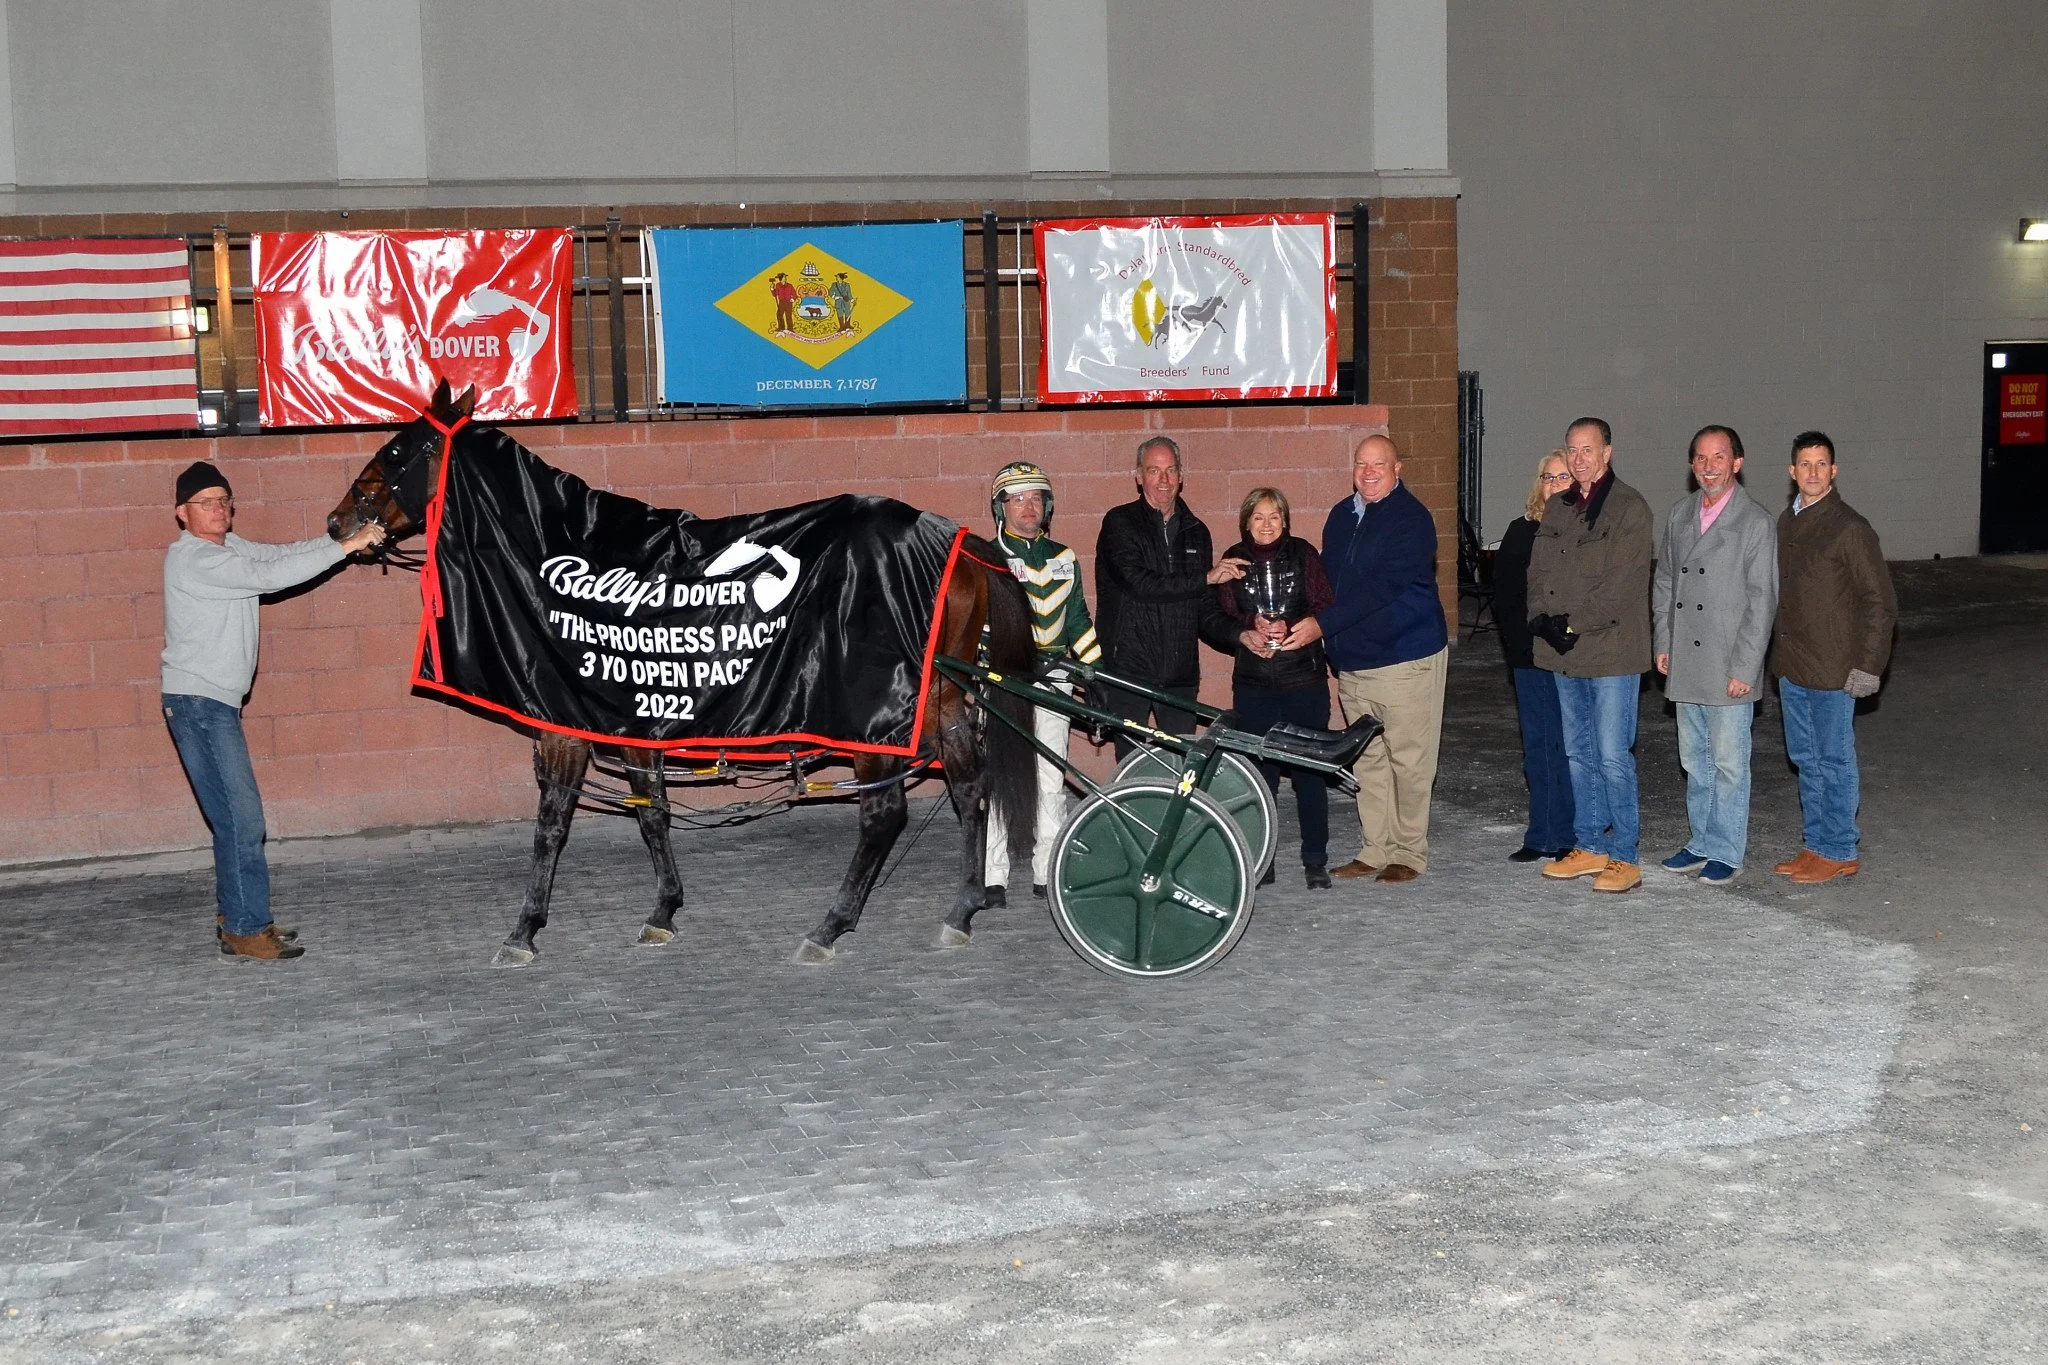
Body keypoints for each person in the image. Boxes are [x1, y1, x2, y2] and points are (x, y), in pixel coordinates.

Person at [162, 460, 385, 960]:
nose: (219, 509)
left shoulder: (230, 547)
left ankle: (237, 916)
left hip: (210, 703)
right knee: (243, 819)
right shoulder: (195, 559)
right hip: (199, 704)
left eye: (224, 500)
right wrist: (348, 547)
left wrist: (339, 540)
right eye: (206, 503)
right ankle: (246, 927)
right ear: (182, 513)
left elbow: (282, 555)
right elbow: (272, 576)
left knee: (233, 819)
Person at [1284, 434, 1448, 884]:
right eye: (1361, 463)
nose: (1369, 472)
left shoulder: (1412, 519)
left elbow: (1383, 589)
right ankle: (1376, 848)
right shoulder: (1342, 514)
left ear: (1398, 470)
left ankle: (1409, 851)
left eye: (1379, 464)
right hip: (1354, 660)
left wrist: (1322, 626)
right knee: (1368, 758)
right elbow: (1327, 583)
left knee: (1409, 760)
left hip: (1404, 655)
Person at [1529, 417, 1654, 894]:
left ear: (1607, 453)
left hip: (1611, 653)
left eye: (1588, 449)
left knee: (1612, 755)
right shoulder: (1558, 506)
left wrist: (1570, 623)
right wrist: (1540, 618)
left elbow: (1621, 587)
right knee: (1578, 754)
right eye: (1573, 450)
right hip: (1566, 653)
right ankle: (1589, 844)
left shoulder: (1629, 508)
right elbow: (1538, 572)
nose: (1579, 459)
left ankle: (1625, 855)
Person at [1652, 425, 1779, 885]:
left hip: (1728, 663)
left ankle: (1726, 849)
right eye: (1701, 458)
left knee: (1728, 764)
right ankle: (1701, 841)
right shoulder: (1680, 514)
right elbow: (1665, 581)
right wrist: (1663, 641)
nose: (1709, 467)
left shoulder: (1755, 522)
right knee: (1694, 760)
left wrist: (1746, 667)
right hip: (1686, 658)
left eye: (1718, 457)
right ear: (1692, 465)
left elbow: (1763, 600)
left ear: (1737, 463)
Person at [1770, 430, 1897, 884]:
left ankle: (1840, 847)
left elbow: (1880, 603)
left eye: (1821, 464)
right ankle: (1816, 843)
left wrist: (1869, 666)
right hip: (1793, 666)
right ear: (1792, 471)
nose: (1813, 472)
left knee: (1834, 759)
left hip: (1834, 669)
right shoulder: (1786, 522)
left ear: (1834, 470)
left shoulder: (1850, 528)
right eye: (1805, 464)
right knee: (1806, 758)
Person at [981, 462, 1101, 905]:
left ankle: (1046, 870)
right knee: (999, 779)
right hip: (1003, 678)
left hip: (1055, 678)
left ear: (1047, 506)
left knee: (1050, 778)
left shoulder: (1065, 557)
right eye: (1017, 498)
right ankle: (992, 876)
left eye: (1036, 498)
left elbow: (1078, 620)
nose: (1027, 506)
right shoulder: (984, 557)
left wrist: (1094, 672)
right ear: (1001, 507)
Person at [1213, 487, 1337, 889]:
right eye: (1258, 517)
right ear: (1246, 522)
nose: (1266, 525)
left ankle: (1315, 859)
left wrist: (1294, 625)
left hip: (1303, 679)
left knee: (1309, 772)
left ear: (1285, 521)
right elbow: (1220, 614)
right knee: (1258, 776)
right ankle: (1262, 859)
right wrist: (1248, 627)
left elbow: (1324, 603)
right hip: (1255, 684)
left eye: (1274, 516)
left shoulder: (1304, 554)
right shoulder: (1234, 559)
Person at [1093, 435, 1245, 758]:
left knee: (1179, 766)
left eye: (1171, 470)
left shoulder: (1196, 531)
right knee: (1131, 766)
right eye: (1154, 471)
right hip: (1128, 671)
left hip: (1180, 674)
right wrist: (1205, 577)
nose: (1163, 480)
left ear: (1181, 475)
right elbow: (1139, 584)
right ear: (1139, 476)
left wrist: (1241, 635)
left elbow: (1203, 607)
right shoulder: (1119, 523)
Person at [1493, 451, 1576, 862]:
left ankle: (1570, 834)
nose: (1555, 484)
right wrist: (1519, 649)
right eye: (1548, 477)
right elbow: (1505, 598)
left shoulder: (1588, 529)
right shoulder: (1520, 531)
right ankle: (1540, 833)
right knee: (1539, 746)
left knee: (1571, 746)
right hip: (1530, 656)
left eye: (1564, 477)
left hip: (1574, 656)